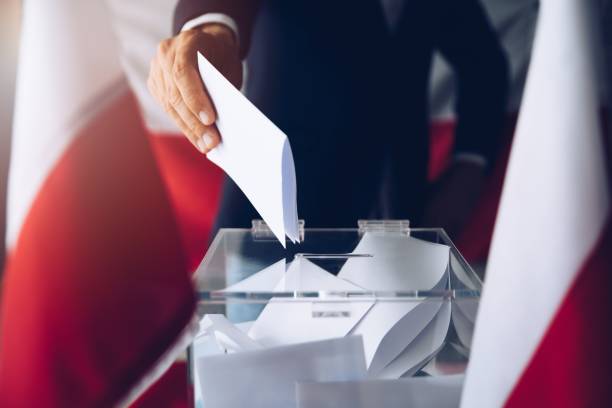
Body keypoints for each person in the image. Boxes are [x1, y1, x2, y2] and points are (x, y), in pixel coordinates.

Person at [148, 0, 508, 238]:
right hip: (272, 229)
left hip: (402, 222)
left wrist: (469, 166)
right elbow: (220, 7)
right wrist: (209, 28)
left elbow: (483, 64)